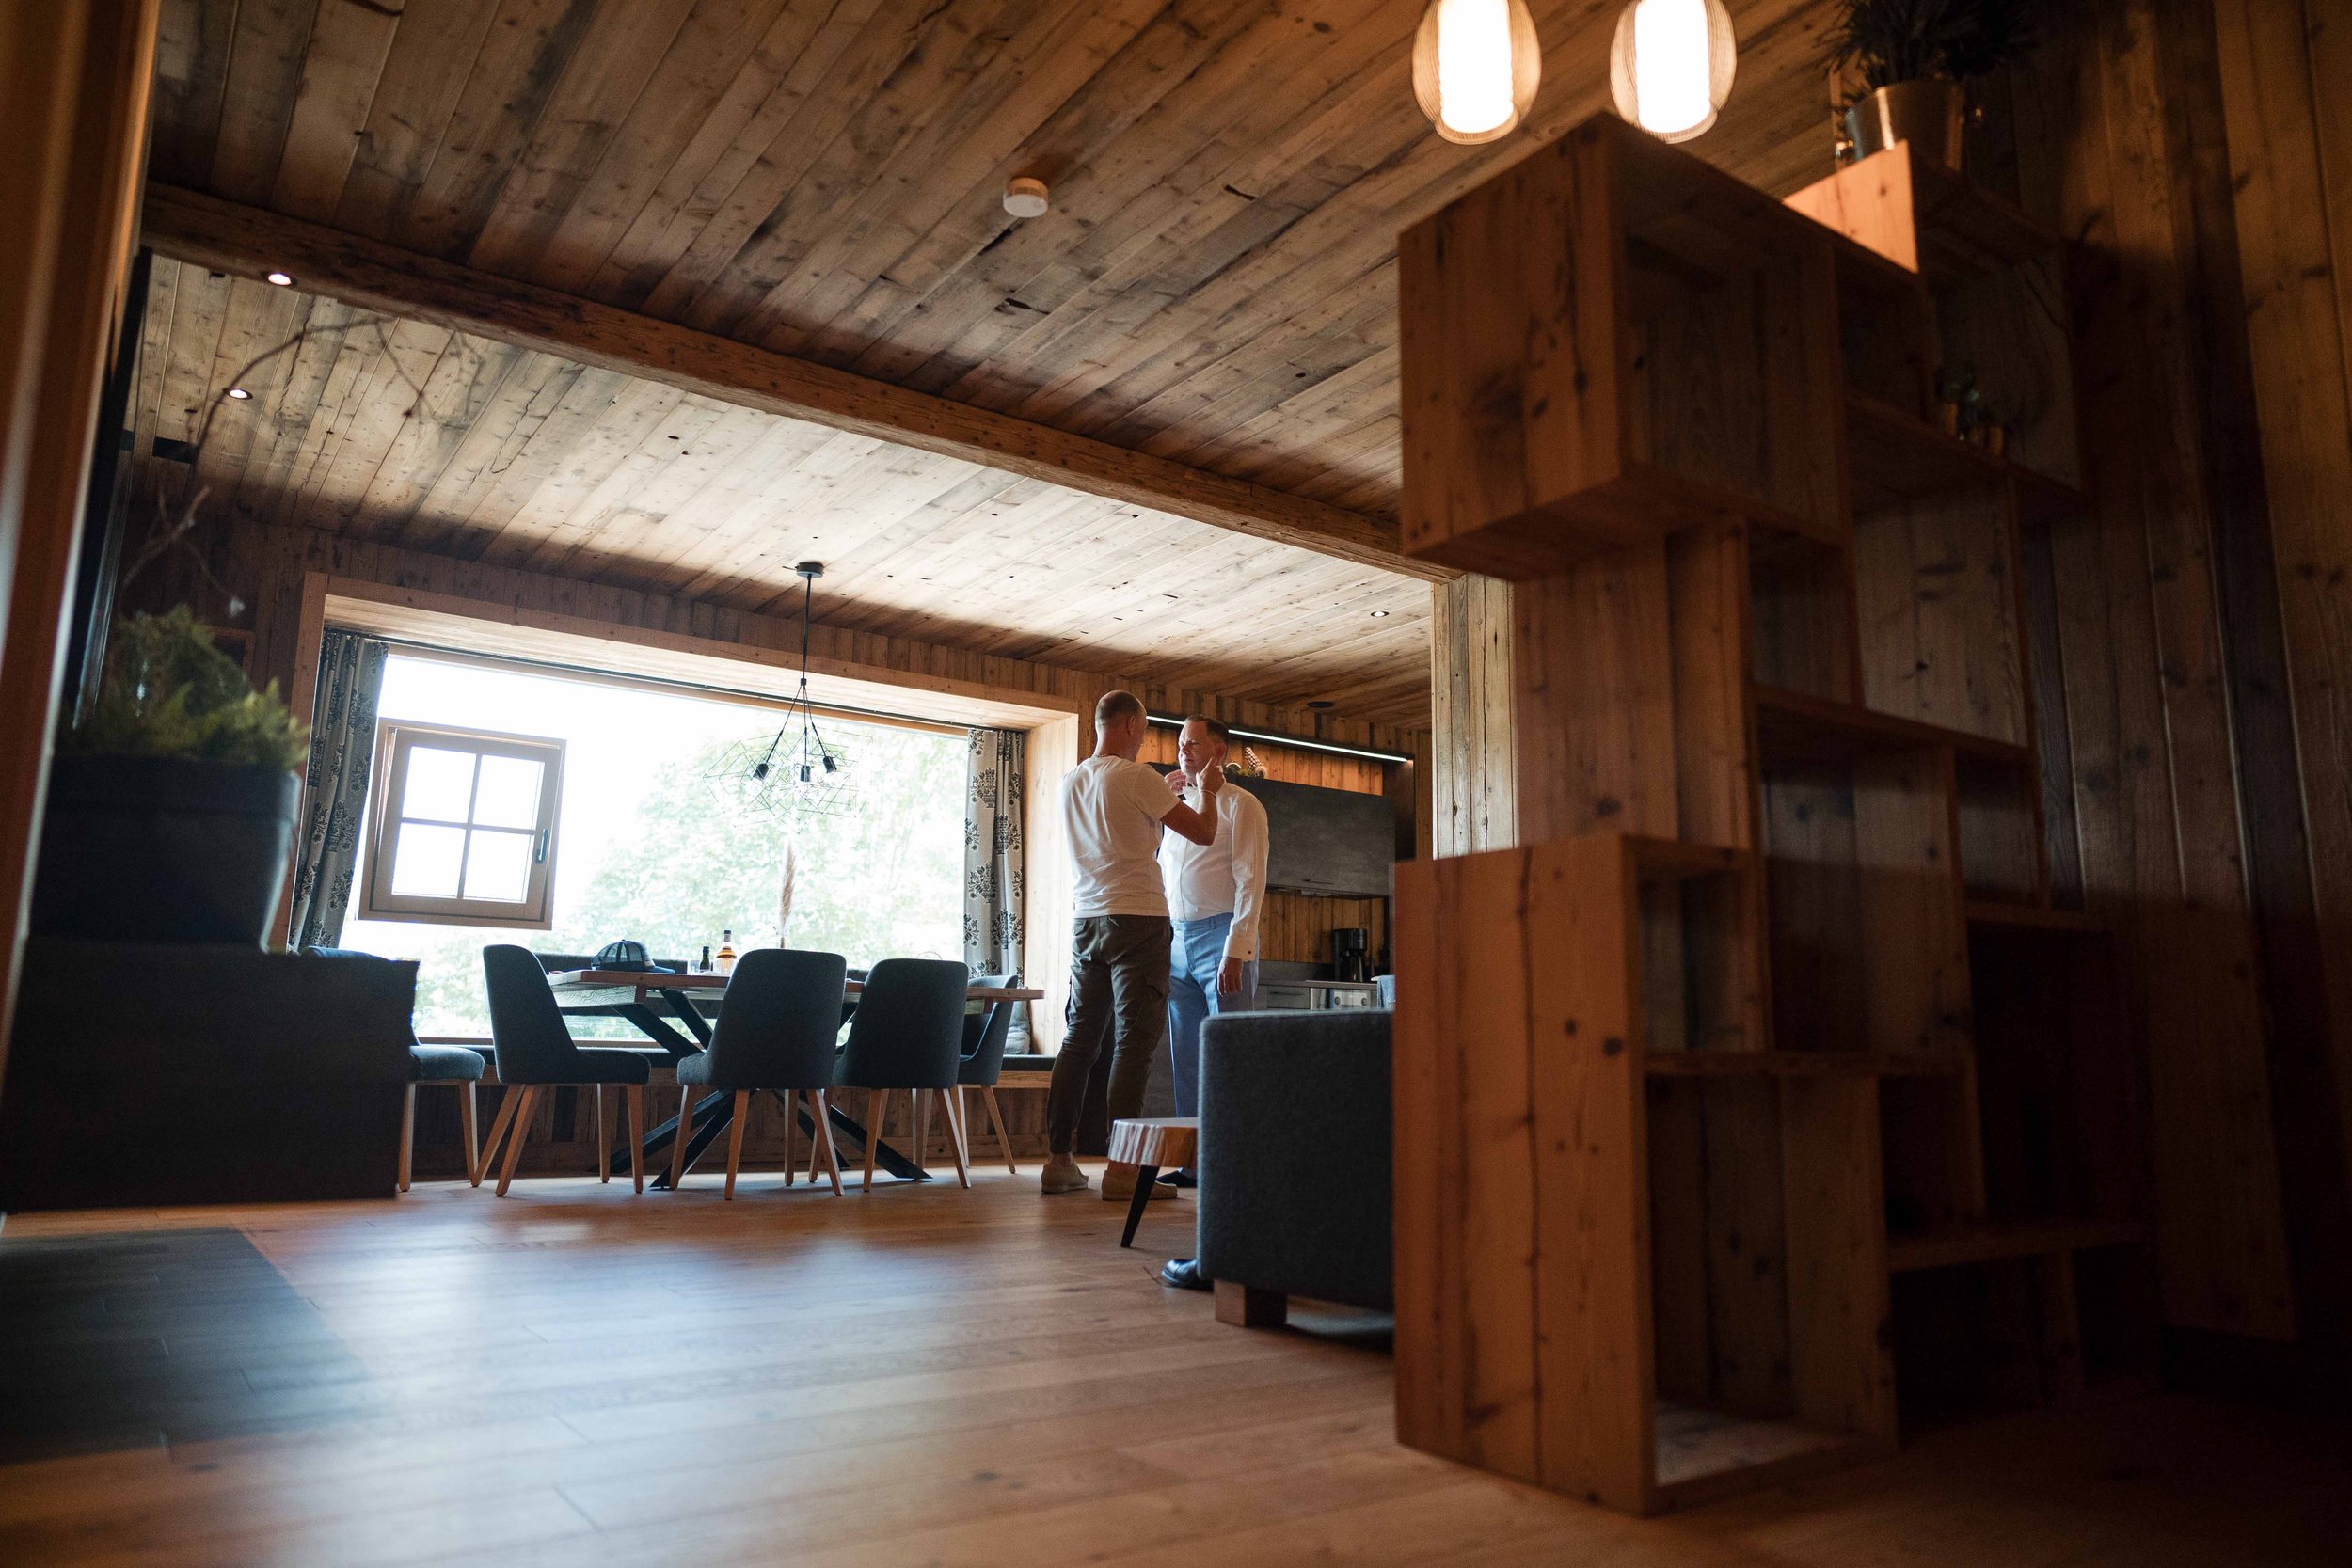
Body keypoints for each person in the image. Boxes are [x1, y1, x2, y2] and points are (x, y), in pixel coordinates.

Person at [1041, 690, 1221, 1196]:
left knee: (1079, 1039)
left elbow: (1116, 834)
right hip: (1138, 921)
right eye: (1142, 727)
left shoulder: (1070, 780)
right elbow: (1204, 832)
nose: (1144, 737)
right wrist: (1206, 787)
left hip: (1086, 922)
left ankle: (1058, 1162)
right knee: (1134, 1042)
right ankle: (1122, 1171)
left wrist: (1156, 797)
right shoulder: (1136, 777)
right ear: (1126, 723)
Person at [1157, 716, 1267, 1186]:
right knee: (1187, 1058)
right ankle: (1194, 1163)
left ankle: (1235, 1165)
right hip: (1176, 940)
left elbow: (1250, 880)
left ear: (1218, 752)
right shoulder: (1177, 805)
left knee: (1230, 1056)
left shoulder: (1243, 806)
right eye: (1181, 743)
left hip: (1223, 938)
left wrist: (1236, 950)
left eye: (1194, 744)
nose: (1184, 751)